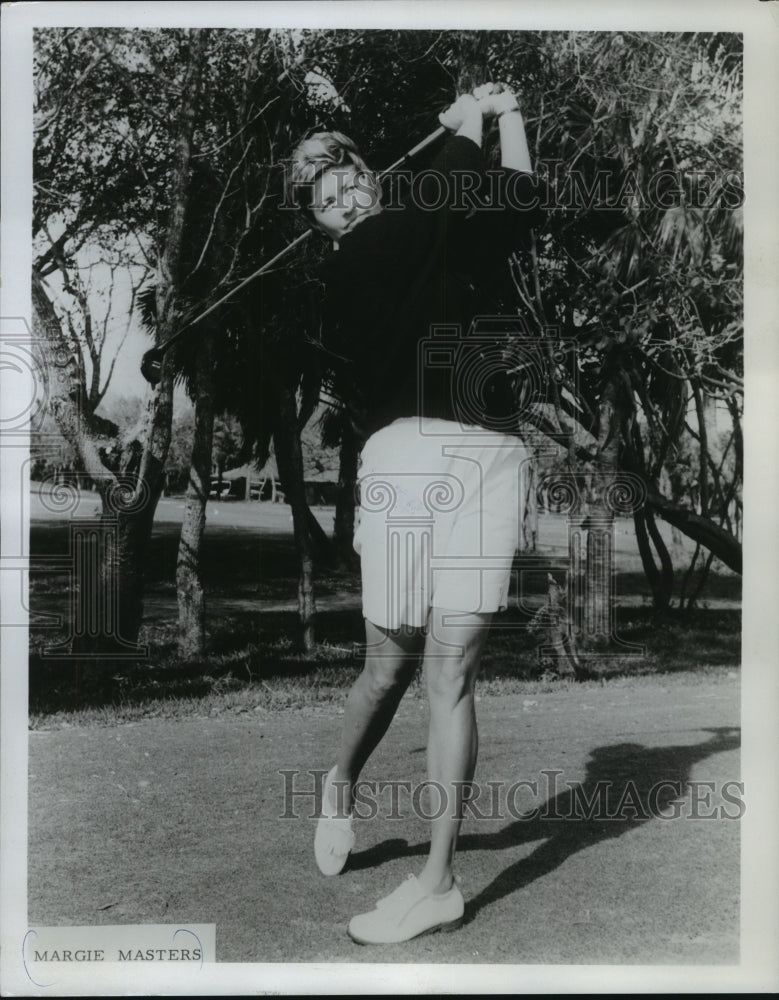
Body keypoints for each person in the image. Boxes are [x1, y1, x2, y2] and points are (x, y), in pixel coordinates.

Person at [285, 84, 543, 944]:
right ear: (317, 224)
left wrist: (508, 115)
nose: (340, 197)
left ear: (370, 176)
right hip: (403, 458)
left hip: (491, 454)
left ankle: (438, 882)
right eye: (322, 198)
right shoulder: (356, 258)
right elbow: (447, 186)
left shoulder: (435, 227)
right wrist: (465, 124)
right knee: (389, 663)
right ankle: (339, 781)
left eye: (347, 179)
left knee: (451, 669)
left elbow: (514, 200)